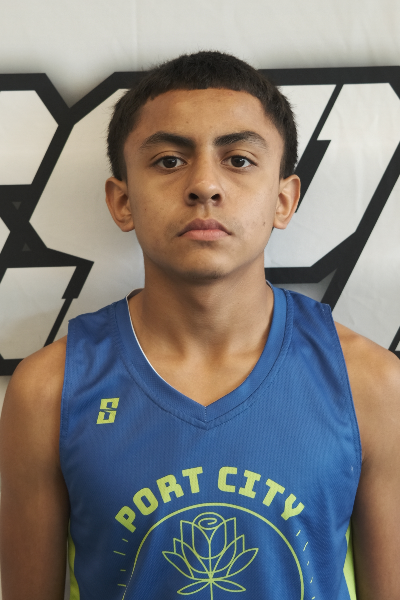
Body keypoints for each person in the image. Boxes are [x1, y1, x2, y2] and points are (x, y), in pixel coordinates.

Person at [1, 51, 399, 600]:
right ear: (123, 201)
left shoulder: (370, 383)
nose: (205, 185)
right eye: (169, 160)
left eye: (238, 159)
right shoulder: (48, 390)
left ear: (284, 200)